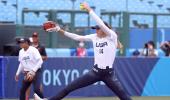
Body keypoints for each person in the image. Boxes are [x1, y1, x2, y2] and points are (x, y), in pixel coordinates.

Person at [35, 2, 132, 100]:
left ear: (104, 29)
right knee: (69, 87)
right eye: (95, 29)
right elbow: (77, 37)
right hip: (95, 72)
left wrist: (89, 10)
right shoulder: (94, 37)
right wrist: (60, 30)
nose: (96, 30)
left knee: (123, 96)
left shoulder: (112, 36)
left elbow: (101, 24)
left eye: (97, 29)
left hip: (108, 74)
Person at [25, 32, 47, 100]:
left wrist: (38, 57)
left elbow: (45, 57)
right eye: (33, 37)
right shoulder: (30, 47)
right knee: (28, 83)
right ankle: (27, 98)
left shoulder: (41, 47)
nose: (35, 38)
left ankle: (39, 98)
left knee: (38, 83)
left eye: (36, 37)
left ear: (38, 38)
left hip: (38, 66)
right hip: (30, 67)